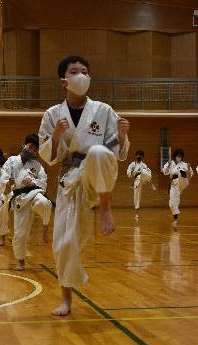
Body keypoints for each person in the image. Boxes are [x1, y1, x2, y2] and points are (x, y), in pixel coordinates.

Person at [39, 55, 130, 316]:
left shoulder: (103, 110)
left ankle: (105, 208)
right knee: (64, 243)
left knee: (100, 152)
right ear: (63, 81)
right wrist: (56, 135)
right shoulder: (53, 114)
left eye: (84, 72)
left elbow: (118, 153)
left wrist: (122, 136)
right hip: (70, 178)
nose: (80, 76)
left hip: (97, 174)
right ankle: (66, 300)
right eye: (74, 71)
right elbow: (48, 157)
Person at [7, 134, 52, 271]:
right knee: (20, 235)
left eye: (34, 149)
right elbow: (4, 177)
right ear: (23, 144)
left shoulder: (37, 165)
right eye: (30, 146)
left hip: (34, 193)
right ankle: (21, 262)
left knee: (44, 203)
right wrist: (8, 182)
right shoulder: (12, 161)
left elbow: (43, 182)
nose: (31, 150)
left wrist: (33, 182)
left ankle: (45, 228)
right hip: (20, 199)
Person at [162, 148, 193, 228]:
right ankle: (175, 220)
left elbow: (189, 177)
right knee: (172, 203)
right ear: (175, 156)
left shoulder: (185, 164)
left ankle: (180, 174)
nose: (179, 157)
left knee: (180, 172)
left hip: (183, 182)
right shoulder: (171, 163)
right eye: (178, 156)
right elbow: (165, 172)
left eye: (180, 156)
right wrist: (168, 165)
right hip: (174, 185)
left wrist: (188, 169)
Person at [126, 150, 154, 220]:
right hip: (137, 181)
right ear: (135, 156)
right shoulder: (132, 164)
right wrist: (134, 172)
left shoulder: (144, 165)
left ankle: (150, 182)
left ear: (142, 157)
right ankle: (137, 213)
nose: (139, 156)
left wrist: (151, 183)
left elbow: (149, 174)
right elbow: (129, 174)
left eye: (140, 155)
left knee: (145, 171)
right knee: (136, 196)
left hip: (144, 178)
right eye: (137, 155)